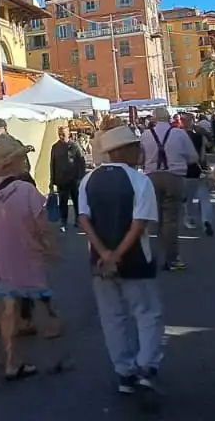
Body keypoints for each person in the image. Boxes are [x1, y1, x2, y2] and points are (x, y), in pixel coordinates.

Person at [79, 125, 165, 395]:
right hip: (136, 259)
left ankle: (124, 369)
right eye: (136, 146)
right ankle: (146, 365)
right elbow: (139, 223)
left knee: (112, 317)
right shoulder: (140, 181)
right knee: (147, 313)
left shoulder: (88, 180)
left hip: (99, 261)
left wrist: (104, 252)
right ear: (124, 150)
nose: (140, 151)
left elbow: (84, 218)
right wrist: (118, 253)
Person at [0, 133, 59, 382]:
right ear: (11, 162)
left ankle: (10, 357)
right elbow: (43, 225)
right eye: (21, 157)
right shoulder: (26, 189)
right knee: (17, 302)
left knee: (6, 304)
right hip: (23, 255)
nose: (24, 160)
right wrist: (50, 247)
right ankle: (13, 358)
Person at [138, 109, 199, 270]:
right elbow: (193, 157)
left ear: (154, 119)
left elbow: (140, 159)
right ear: (169, 118)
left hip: (151, 178)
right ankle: (172, 258)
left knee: (154, 219)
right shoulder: (179, 134)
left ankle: (153, 257)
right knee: (170, 220)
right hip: (174, 176)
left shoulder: (145, 135)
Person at [177, 113, 215, 239]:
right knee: (204, 197)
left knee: (188, 198)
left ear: (182, 122)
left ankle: (190, 218)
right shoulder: (199, 136)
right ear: (192, 121)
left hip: (185, 171)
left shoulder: (178, 137)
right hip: (200, 170)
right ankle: (206, 220)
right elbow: (206, 152)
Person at [50, 126, 86, 232]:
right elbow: (52, 163)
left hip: (74, 179)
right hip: (61, 179)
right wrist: (52, 180)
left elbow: (81, 162)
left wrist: (80, 177)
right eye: (60, 134)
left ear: (68, 134)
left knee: (76, 200)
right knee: (63, 201)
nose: (61, 136)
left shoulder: (74, 146)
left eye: (63, 134)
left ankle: (78, 220)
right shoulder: (55, 147)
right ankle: (63, 221)